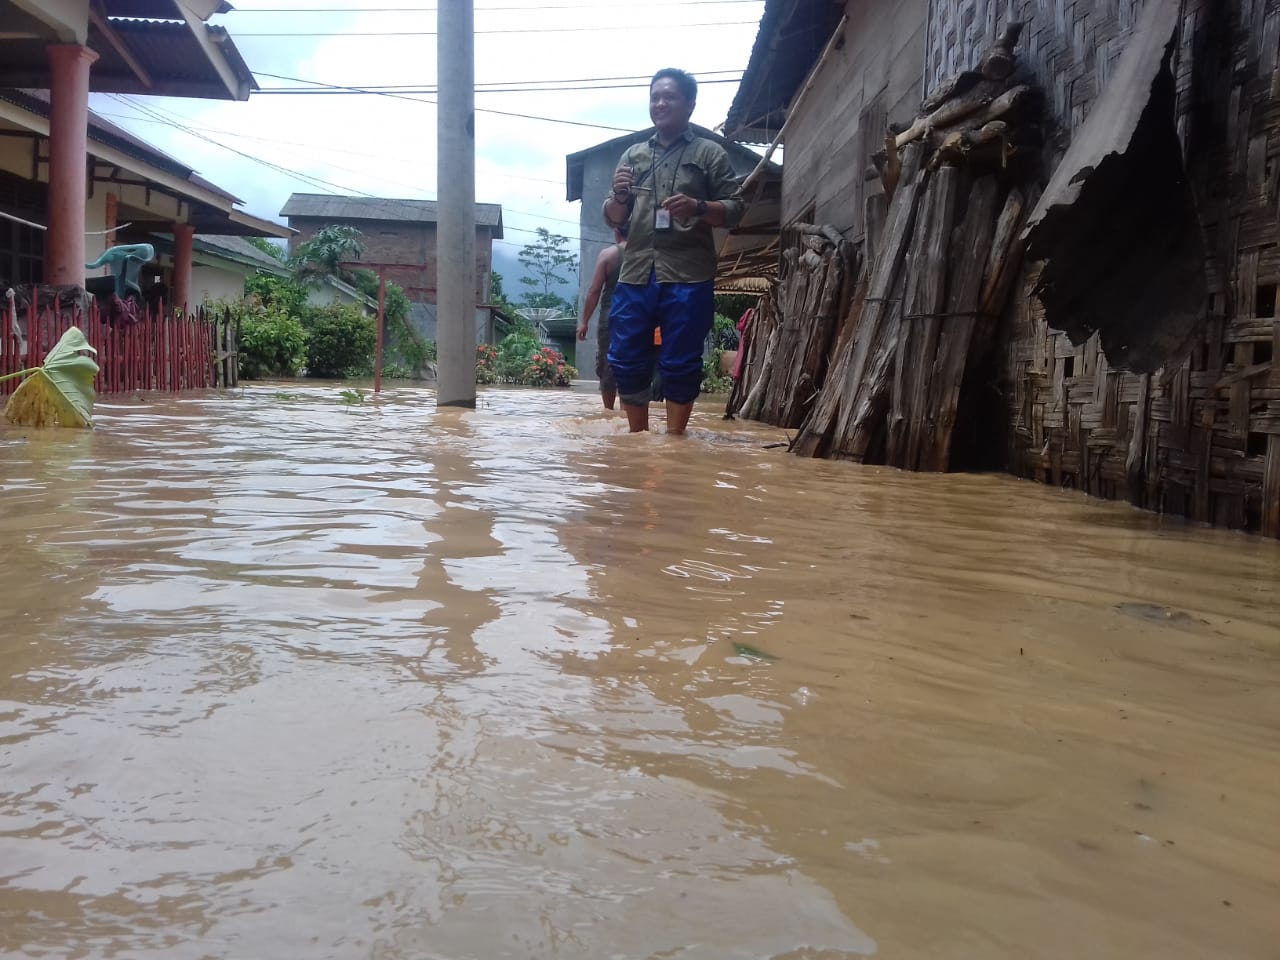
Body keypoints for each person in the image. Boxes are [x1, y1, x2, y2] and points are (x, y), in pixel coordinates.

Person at [602, 67, 744, 435]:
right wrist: (619, 196)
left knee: (681, 360)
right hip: (635, 272)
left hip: (688, 273)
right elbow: (613, 217)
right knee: (625, 356)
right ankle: (638, 440)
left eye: (670, 97)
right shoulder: (632, 155)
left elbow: (735, 209)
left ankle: (675, 442)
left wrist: (698, 207)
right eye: (655, 97)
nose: (660, 103)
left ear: (690, 105)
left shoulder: (709, 153)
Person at [577, 226, 627, 410]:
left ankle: (608, 414)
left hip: (612, 316)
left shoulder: (608, 254)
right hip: (639, 316)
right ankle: (627, 415)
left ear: (616, 232)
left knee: (608, 365)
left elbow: (594, 290)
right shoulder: (645, 255)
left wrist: (584, 322)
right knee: (632, 364)